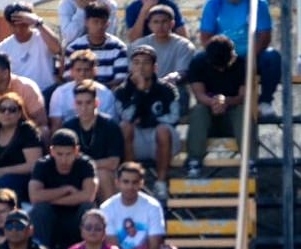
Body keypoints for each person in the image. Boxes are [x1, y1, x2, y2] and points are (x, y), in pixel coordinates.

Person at [115, 45, 181, 196]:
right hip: (135, 139)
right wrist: (138, 91)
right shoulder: (122, 91)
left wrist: (150, 120)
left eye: (145, 63)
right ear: (131, 66)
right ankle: (131, 181)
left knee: (163, 130)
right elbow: (126, 117)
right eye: (136, 63)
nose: (140, 67)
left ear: (154, 67)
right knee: (125, 127)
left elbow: (174, 117)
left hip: (160, 138)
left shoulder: (167, 89)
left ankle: (161, 183)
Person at [197, 0, 279, 117]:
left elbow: (264, 37)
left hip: (252, 56)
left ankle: (265, 102)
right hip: (223, 56)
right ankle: (209, 102)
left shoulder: (258, 4)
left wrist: (247, 59)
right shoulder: (212, 4)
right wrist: (223, 56)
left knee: (272, 57)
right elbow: (206, 38)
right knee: (198, 58)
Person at [184, 34, 247, 178]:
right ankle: (194, 160)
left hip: (232, 117)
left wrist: (226, 101)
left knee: (243, 111)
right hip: (208, 115)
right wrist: (215, 102)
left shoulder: (242, 64)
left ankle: (249, 160)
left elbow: (242, 96)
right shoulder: (198, 62)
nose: (220, 70)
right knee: (198, 110)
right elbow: (199, 94)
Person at [29, 128, 98, 249]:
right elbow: (34, 197)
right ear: (52, 151)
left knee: (87, 208)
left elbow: (88, 196)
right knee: (39, 209)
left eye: (68, 154)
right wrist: (65, 190)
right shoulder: (42, 165)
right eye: (59, 154)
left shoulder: (86, 164)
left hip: (76, 218)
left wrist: (53, 200)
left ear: (76, 151)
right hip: (51, 219)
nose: (64, 159)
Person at [0, 90, 45, 203]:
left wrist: (1, 172)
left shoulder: (27, 131)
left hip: (22, 178)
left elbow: (34, 165)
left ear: (19, 113)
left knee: (5, 182)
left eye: (12, 110)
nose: (6, 113)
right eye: (2, 110)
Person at [63, 80, 125, 202]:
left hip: (103, 174)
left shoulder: (109, 125)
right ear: (74, 104)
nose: (84, 108)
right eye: (79, 103)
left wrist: (85, 166)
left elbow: (113, 162)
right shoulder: (68, 127)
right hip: (76, 174)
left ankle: (109, 217)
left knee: (102, 175)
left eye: (88, 103)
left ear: (96, 103)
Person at [129, 4, 195, 108]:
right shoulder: (139, 45)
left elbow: (182, 72)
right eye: (156, 22)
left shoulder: (184, 45)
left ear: (172, 23)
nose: (160, 26)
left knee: (180, 91)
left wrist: (172, 77)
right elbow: (132, 72)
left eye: (164, 21)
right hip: (144, 86)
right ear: (149, 25)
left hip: (171, 88)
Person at [0, 51, 47, 136]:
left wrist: (16, 132)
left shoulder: (26, 87)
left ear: (5, 73)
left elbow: (41, 121)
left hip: (25, 133)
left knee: (44, 131)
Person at [63, 0, 130, 90]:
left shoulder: (119, 48)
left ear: (108, 24)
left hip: (109, 95)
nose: (99, 26)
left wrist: (98, 90)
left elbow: (120, 79)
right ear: (86, 22)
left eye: (103, 22)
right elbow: (68, 77)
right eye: (95, 22)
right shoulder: (73, 48)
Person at [0, 1, 63, 91]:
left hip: (47, 91)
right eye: (14, 26)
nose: (19, 30)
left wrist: (38, 23)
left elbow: (58, 49)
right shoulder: (3, 47)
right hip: (21, 95)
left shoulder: (43, 37)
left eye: (23, 25)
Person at [48, 48, 119, 125]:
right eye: (78, 70)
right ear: (71, 72)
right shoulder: (59, 94)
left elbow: (111, 125)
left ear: (94, 71)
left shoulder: (106, 94)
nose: (82, 74)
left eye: (87, 70)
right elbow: (56, 127)